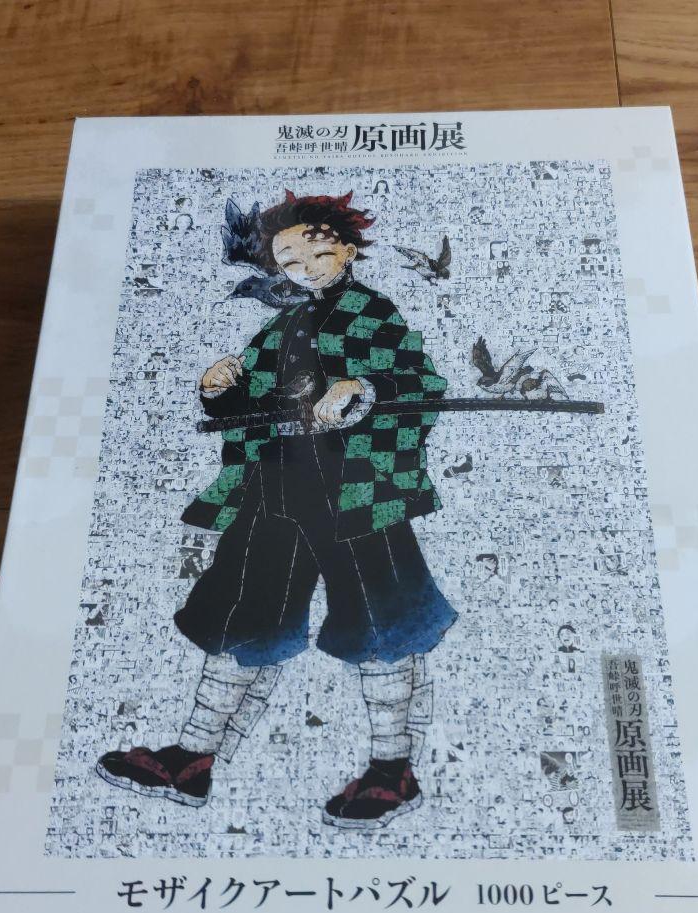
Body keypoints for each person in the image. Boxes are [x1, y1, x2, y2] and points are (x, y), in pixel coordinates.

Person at [97, 190, 457, 829]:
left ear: (348, 248)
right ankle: (193, 758)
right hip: (276, 490)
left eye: (318, 251)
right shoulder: (281, 328)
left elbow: (419, 384)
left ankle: (392, 770)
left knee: (381, 621)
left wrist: (362, 389)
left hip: (356, 493)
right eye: (289, 262)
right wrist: (221, 390)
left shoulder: (373, 313)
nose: (306, 268)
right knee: (244, 616)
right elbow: (251, 410)